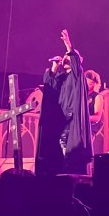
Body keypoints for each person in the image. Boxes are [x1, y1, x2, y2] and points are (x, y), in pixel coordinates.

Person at [35, 29, 93, 176]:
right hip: (59, 122)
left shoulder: (77, 77)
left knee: (70, 157)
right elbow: (49, 87)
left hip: (71, 123)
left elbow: (76, 65)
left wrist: (68, 46)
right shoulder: (61, 78)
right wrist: (54, 68)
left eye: (69, 57)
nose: (65, 58)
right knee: (56, 158)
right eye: (65, 57)